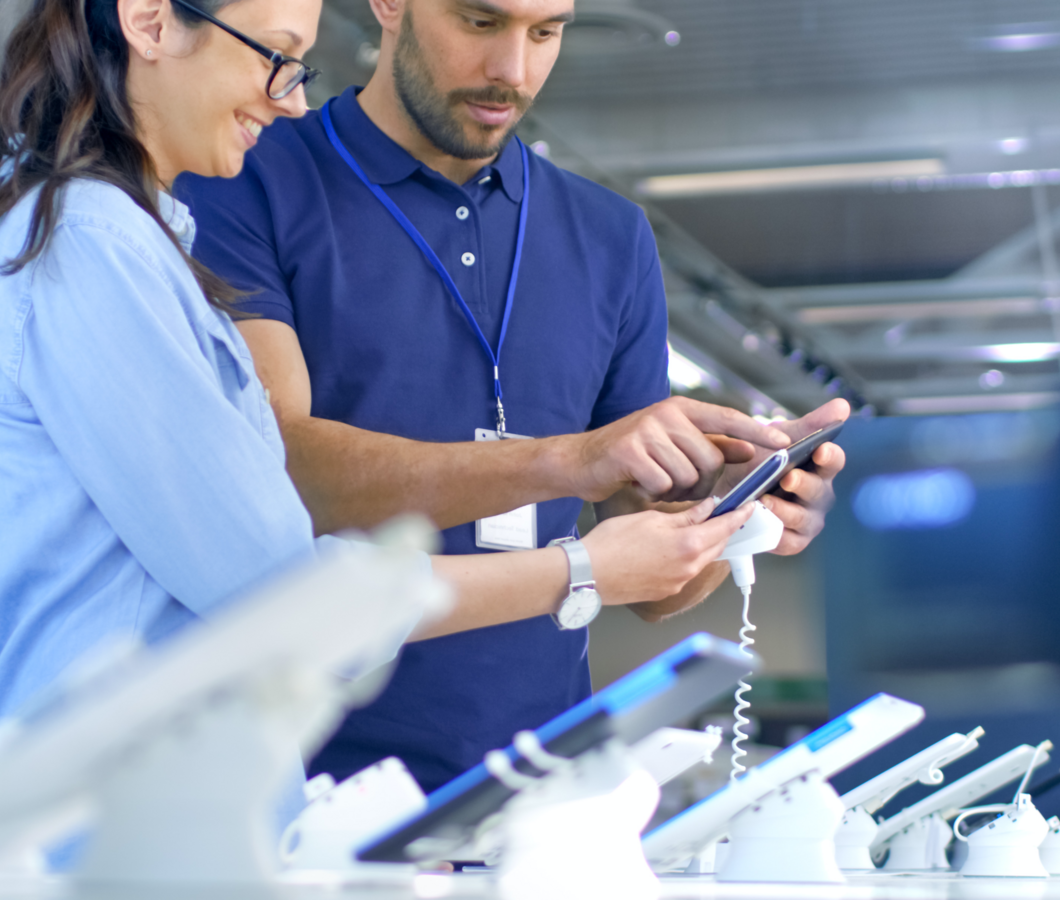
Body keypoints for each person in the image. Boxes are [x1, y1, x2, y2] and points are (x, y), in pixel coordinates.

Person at [0, 0, 758, 726]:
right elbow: (280, 591)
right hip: (129, 810)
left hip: (201, 797)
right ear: (149, 20)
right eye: (277, 56)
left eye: (548, 31)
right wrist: (577, 564)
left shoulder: (143, 240)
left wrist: (732, 509)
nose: (291, 100)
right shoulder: (98, 245)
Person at [175, 0, 850, 793]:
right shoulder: (241, 174)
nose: (514, 72)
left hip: (541, 793)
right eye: (481, 22)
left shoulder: (610, 235)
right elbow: (281, 468)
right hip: (307, 787)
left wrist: (736, 516)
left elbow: (649, 582)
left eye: (546, 32)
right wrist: (570, 460)